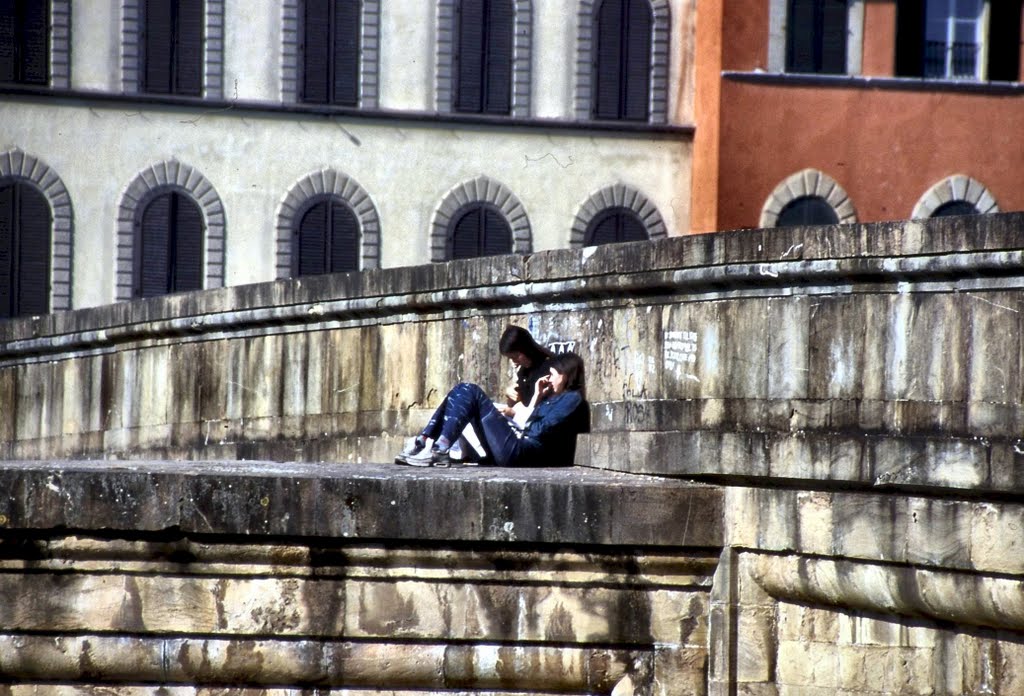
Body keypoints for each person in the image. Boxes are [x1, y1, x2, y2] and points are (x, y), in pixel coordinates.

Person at [396, 352, 589, 467]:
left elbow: (537, 431)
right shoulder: (549, 399)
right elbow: (531, 426)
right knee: (460, 390)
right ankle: (424, 441)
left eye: (554, 374)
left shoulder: (572, 399)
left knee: (471, 391)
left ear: (566, 375)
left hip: (522, 453)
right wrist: (537, 397)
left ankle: (440, 449)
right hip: (517, 449)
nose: (549, 378)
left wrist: (514, 423)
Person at [498, 325, 554, 414]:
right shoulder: (524, 371)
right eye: (511, 358)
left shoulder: (550, 369)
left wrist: (516, 414)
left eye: (516, 356)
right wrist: (512, 394)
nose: (514, 361)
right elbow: (522, 400)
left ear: (526, 349)